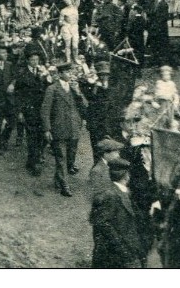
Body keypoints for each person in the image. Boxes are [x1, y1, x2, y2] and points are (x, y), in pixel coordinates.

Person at [41, 62, 87, 197]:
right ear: (60, 74)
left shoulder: (74, 88)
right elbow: (45, 110)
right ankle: (64, 185)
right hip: (59, 128)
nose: (70, 75)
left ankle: (58, 179)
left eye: (71, 72)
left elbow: (84, 106)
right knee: (61, 157)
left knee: (70, 159)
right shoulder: (52, 89)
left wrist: (78, 92)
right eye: (67, 72)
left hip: (73, 128)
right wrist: (47, 129)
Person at [90, 158, 147, 269]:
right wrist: (122, 248)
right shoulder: (111, 195)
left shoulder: (120, 191)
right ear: (126, 176)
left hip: (122, 248)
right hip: (114, 252)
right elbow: (103, 224)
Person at [14, 46, 49, 176]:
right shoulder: (23, 74)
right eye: (33, 60)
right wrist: (20, 112)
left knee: (41, 136)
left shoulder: (42, 73)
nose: (35, 62)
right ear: (28, 61)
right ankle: (34, 163)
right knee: (32, 136)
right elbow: (18, 95)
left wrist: (45, 77)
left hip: (41, 110)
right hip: (29, 110)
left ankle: (33, 159)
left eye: (37, 60)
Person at [146, 0, 170, 66]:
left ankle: (160, 63)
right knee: (154, 45)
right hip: (154, 28)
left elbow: (163, 18)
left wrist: (155, 26)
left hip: (160, 29)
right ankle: (155, 62)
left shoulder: (164, 4)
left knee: (161, 46)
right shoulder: (156, 3)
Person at [58, 0, 81, 64]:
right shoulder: (63, 11)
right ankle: (68, 59)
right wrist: (65, 24)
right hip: (67, 28)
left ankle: (76, 58)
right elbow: (60, 22)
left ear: (71, 0)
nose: (67, 1)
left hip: (74, 27)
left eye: (68, 0)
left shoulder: (75, 7)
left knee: (75, 46)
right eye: (65, 0)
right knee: (67, 45)